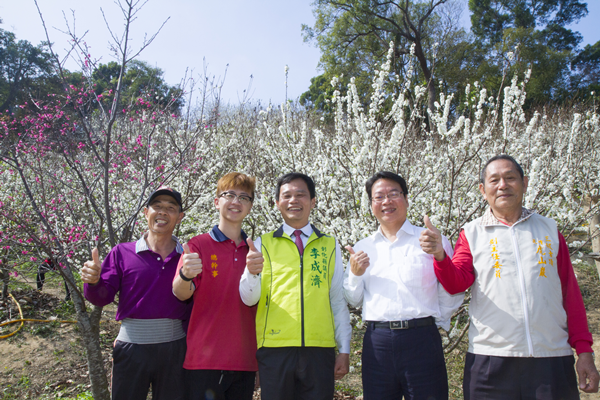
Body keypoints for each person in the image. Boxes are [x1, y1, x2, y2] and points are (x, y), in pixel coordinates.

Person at [420, 154, 600, 399]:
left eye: (510, 178)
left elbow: (570, 294)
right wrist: (440, 255)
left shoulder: (548, 229)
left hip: (551, 356)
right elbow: (455, 283)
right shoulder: (472, 233)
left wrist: (584, 351)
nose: (503, 185)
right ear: (483, 190)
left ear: (524, 184)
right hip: (490, 359)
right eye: (494, 180)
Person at [343, 171, 463, 400]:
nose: (386, 201)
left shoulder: (431, 240)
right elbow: (353, 300)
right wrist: (356, 275)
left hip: (422, 340)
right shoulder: (363, 246)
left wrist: (434, 322)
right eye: (379, 197)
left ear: (406, 199)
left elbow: (451, 288)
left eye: (393, 194)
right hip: (377, 342)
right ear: (371, 205)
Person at [239, 172, 352, 400]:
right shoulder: (262, 244)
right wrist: (251, 273)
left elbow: (337, 300)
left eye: (301, 195)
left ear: (313, 201)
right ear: (277, 203)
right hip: (274, 348)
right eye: (287, 196)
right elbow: (248, 299)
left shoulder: (330, 245)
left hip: (319, 349)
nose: (293, 200)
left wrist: (344, 349)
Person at [81, 186, 191, 400]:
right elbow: (101, 297)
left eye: (170, 208)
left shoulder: (187, 257)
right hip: (132, 349)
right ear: (145, 212)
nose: (162, 212)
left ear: (180, 217)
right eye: (156, 206)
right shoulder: (122, 253)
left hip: (175, 349)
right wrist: (93, 282)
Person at [172, 172, 258, 400]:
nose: (236, 202)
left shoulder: (256, 251)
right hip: (205, 359)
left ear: (250, 205)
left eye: (244, 197)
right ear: (216, 202)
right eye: (229, 195)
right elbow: (180, 293)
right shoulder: (197, 245)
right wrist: (186, 275)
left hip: (245, 360)